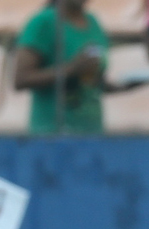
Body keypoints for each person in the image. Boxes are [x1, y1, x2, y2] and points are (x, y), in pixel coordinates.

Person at [14, 0, 142, 134]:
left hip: (93, 133)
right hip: (51, 135)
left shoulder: (93, 22)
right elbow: (21, 79)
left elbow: (90, 83)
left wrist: (122, 86)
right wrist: (71, 69)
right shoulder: (43, 22)